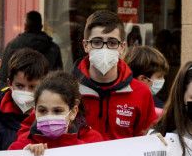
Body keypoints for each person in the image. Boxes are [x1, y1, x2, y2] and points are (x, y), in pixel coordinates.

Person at [19, 11, 157, 143]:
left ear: (122, 47)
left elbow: (149, 140)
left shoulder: (141, 93)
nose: (105, 48)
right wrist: (30, 145)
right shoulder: (63, 89)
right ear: (85, 45)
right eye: (97, 42)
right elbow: (27, 132)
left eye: (112, 43)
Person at [8, 71, 103, 153]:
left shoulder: (87, 150)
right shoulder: (19, 148)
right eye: (42, 110)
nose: (49, 117)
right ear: (35, 110)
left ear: (73, 112)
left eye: (57, 111)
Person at [0, 48, 48, 150]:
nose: (26, 92)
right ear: (10, 83)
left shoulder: (52, 120)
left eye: (33, 87)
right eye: (20, 86)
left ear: (43, 87)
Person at [1, 11, 63, 78]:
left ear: (25, 26)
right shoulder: (53, 48)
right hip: (44, 87)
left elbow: (3, 74)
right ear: (41, 27)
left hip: (17, 87)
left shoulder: (12, 45)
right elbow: (59, 76)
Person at [126, 45, 169, 110]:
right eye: (159, 76)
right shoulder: (157, 109)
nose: (163, 80)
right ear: (143, 79)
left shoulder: (159, 105)